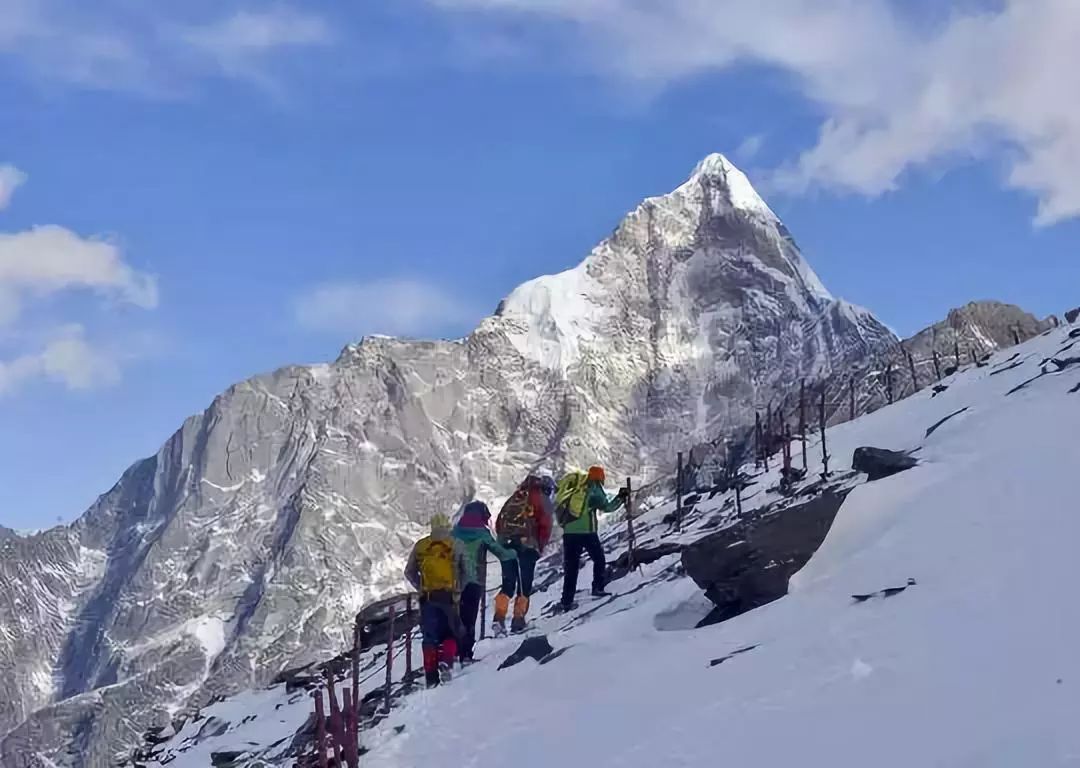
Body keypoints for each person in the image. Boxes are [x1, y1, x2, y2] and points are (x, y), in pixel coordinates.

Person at [404, 513, 467, 687]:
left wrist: (422, 588)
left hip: (428, 598)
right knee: (451, 632)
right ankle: (446, 662)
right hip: (449, 597)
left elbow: (409, 572)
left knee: (430, 637)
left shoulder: (421, 546)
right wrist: (458, 590)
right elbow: (466, 572)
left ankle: (431, 678)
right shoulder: (456, 544)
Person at [451, 500, 518, 662]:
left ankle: (451, 653)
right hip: (473, 580)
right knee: (469, 618)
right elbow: (500, 552)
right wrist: (514, 553)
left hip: (452, 582)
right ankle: (466, 655)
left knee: (455, 617)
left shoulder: (454, 532)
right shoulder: (482, 533)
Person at [559, 465, 627, 612]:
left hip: (569, 532)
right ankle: (597, 587)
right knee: (599, 559)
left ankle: (566, 601)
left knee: (571, 567)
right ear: (600, 477)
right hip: (587, 532)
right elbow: (607, 507)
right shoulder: (594, 488)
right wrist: (621, 497)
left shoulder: (578, 487)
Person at [494, 475, 554, 635]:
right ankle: (518, 620)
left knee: (507, 584)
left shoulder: (516, 496)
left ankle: (498, 619)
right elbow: (546, 525)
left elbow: (499, 523)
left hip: (505, 544)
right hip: (526, 546)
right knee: (524, 585)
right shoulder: (542, 498)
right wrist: (539, 546)